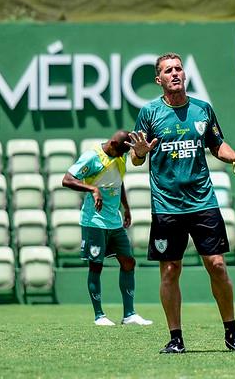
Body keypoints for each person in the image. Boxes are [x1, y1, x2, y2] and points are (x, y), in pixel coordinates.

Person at [129, 52, 235, 353]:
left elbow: (217, 145)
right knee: (170, 271)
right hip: (166, 205)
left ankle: (232, 334)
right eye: (168, 70)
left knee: (217, 265)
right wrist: (139, 152)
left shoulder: (203, 110)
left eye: (178, 69)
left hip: (203, 202)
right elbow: (137, 159)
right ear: (159, 79)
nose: (175, 73)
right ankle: (175, 339)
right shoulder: (149, 113)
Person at [62, 131, 153, 326]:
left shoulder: (120, 155)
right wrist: (93, 189)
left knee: (128, 262)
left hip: (115, 221)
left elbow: (118, 183)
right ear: (112, 144)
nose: (122, 156)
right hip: (94, 220)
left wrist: (127, 208)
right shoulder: (92, 157)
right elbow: (67, 179)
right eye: (120, 151)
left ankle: (129, 314)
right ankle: (99, 316)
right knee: (96, 265)